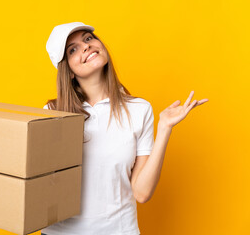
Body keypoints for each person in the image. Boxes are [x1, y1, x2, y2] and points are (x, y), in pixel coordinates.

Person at [41, 22, 209, 235]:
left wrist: (165, 128)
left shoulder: (139, 109)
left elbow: (141, 193)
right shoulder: (53, 112)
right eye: (72, 49)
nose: (86, 46)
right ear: (69, 71)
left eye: (88, 38)